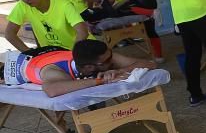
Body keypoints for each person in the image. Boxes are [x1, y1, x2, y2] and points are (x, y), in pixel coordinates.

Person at [2, 40, 155, 97]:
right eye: (108, 60)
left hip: (53, 52)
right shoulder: (54, 71)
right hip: (23, 66)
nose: (112, 59)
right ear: (89, 67)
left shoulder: (101, 57)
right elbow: (51, 90)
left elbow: (150, 64)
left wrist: (121, 70)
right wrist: (99, 80)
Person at [88, 0, 163, 61]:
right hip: (148, 2)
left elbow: (110, 0)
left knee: (117, 8)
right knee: (150, 31)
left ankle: (151, 12)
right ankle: (159, 56)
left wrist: (101, 9)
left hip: (142, 1)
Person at [5, 0, 91, 52]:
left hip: (79, 49)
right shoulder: (22, 5)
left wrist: (73, 54)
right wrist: (29, 53)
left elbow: (82, 32)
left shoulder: (64, 5)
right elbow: (9, 34)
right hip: (51, 54)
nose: (25, 0)